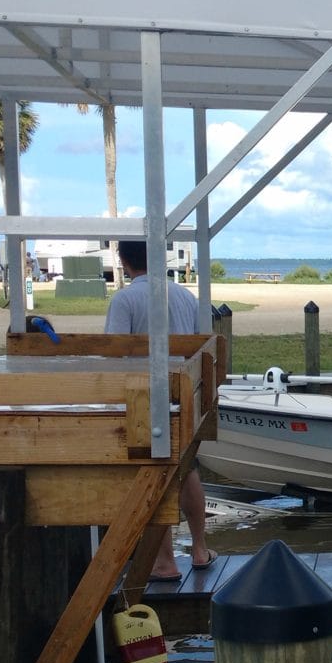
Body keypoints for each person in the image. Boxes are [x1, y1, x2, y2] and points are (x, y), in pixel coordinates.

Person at [105, 240, 213, 581]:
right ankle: (199, 548)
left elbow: (113, 354)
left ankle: (164, 560)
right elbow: (200, 347)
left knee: (152, 475)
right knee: (187, 470)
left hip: (145, 399)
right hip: (184, 395)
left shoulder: (125, 299)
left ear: (124, 261)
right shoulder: (185, 296)